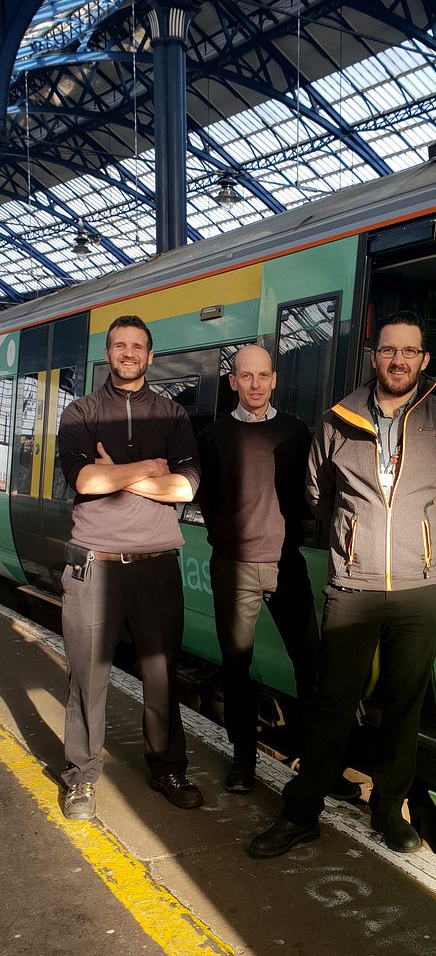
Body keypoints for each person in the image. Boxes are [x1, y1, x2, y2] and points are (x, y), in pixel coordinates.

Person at [249, 310, 436, 857]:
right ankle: (301, 812)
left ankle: (389, 813)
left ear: (424, 361)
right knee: (331, 703)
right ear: (375, 357)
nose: (398, 360)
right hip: (352, 589)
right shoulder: (338, 420)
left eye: (409, 352)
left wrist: (418, 543)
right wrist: (357, 541)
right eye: (389, 350)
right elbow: (318, 495)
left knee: (403, 705)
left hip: (421, 592)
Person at [58, 315, 203, 820]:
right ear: (108, 353)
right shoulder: (80, 411)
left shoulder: (172, 415)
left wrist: (117, 474)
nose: (128, 353)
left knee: (162, 675)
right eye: (119, 346)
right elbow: (84, 480)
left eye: (136, 346)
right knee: (87, 675)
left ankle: (167, 768)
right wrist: (148, 469)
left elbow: (185, 488)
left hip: (156, 562)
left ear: (150, 354)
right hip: (93, 565)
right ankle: (80, 776)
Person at [197, 344, 322, 793]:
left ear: (274, 380)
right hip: (233, 567)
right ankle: (243, 762)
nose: (254, 384)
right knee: (236, 667)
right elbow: (205, 499)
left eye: (262, 376)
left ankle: (321, 768)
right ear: (233, 382)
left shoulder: (295, 432)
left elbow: (308, 496)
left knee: (310, 664)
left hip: (286, 566)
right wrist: (229, 541)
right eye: (245, 376)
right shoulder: (214, 436)